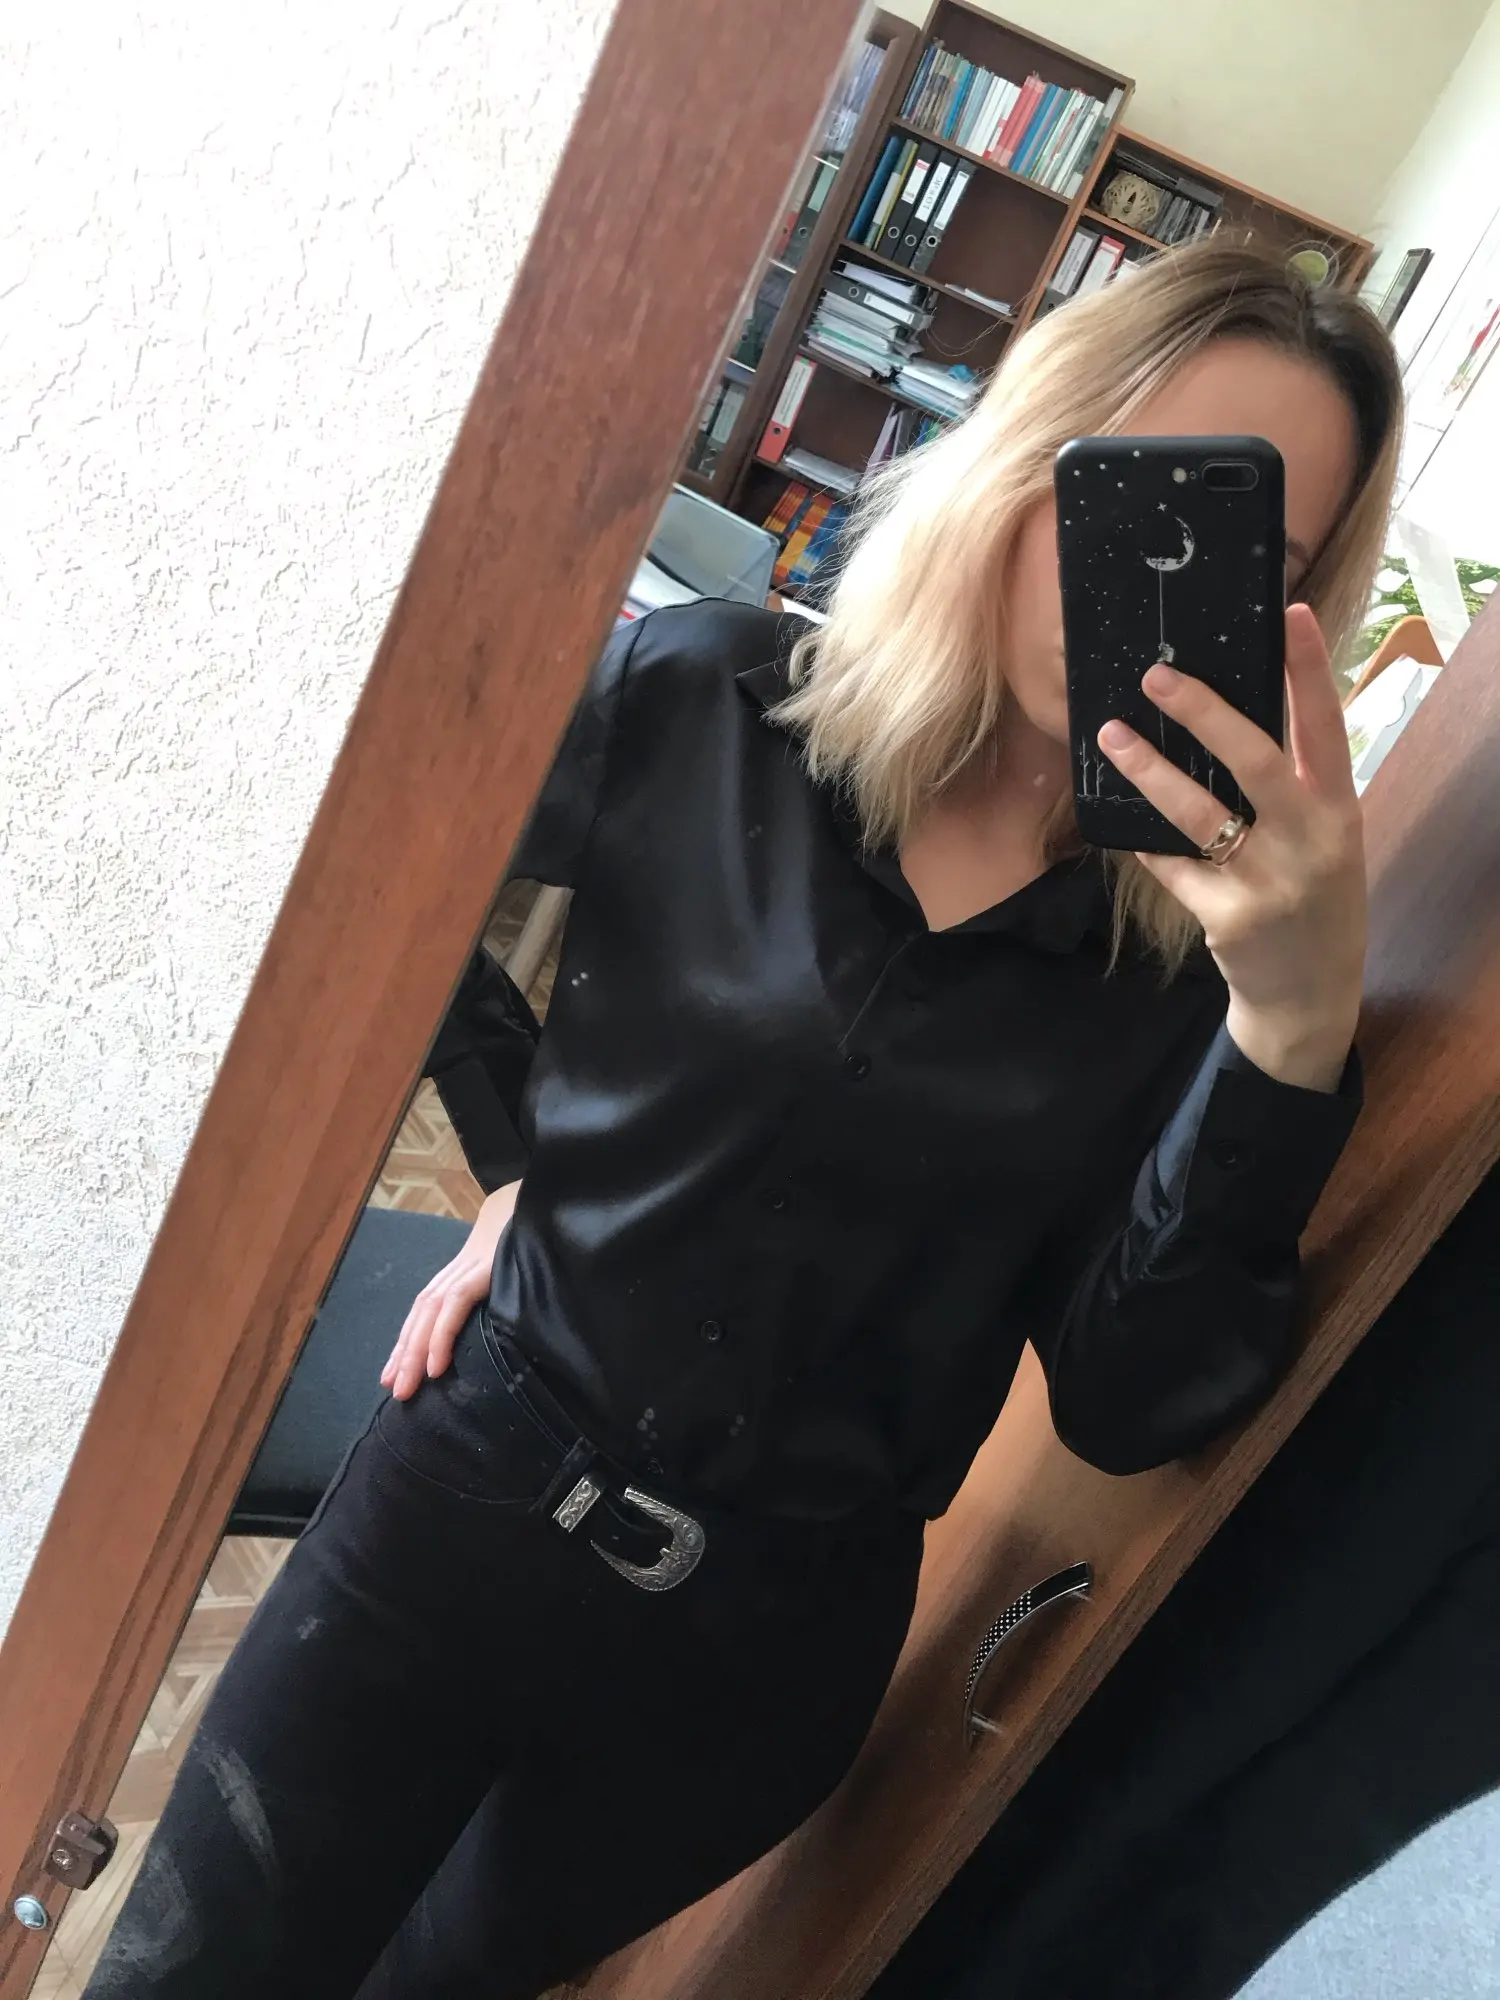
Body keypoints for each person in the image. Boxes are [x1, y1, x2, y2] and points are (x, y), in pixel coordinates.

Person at [87, 239, 1402, 2000]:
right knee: (195, 1974)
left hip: (758, 1673)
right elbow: (393, 891)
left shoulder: (1196, 978)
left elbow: (1128, 1399)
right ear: (1029, 454)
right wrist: (521, 1166)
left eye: (1243, 558)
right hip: (457, 1507)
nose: (1146, 590)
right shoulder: (713, 698)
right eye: (1132, 494)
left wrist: (1290, 1026)